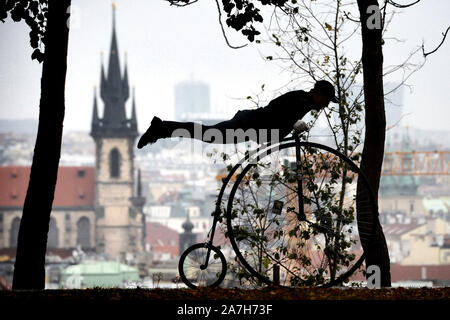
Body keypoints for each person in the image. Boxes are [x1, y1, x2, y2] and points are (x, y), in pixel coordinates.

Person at [137, 80, 338, 149]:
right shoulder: (301, 101)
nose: (327, 104)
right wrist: (291, 125)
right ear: (318, 94)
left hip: (247, 125)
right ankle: (161, 128)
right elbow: (274, 114)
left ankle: (162, 129)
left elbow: (276, 116)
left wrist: (291, 125)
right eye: (327, 100)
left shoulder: (302, 101)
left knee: (205, 133)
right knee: (206, 133)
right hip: (246, 126)